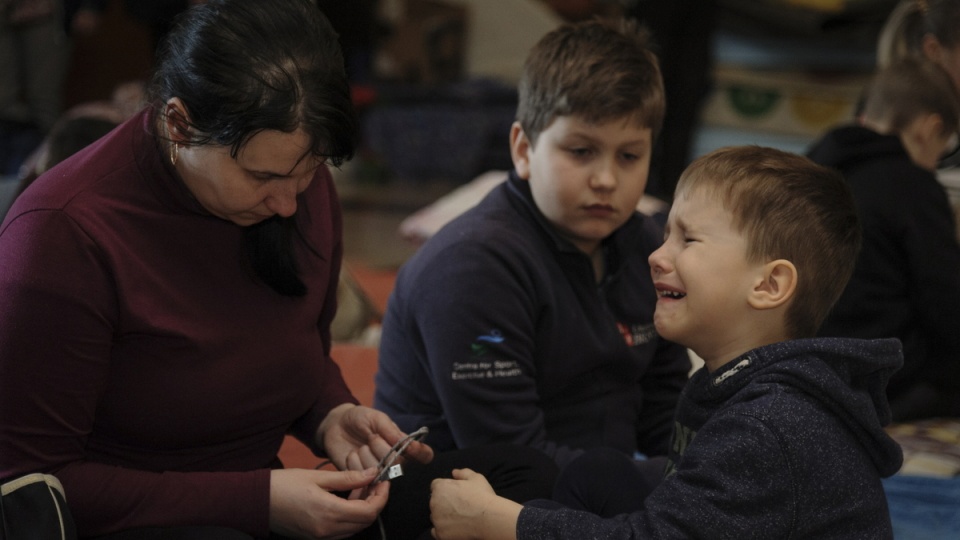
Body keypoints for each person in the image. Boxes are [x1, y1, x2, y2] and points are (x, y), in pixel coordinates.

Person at [0, 1, 439, 538]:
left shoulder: (295, 178)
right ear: (179, 124)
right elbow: (29, 488)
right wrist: (257, 500)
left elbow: (295, 348)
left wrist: (329, 414)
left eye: (312, 170)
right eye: (262, 177)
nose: (287, 203)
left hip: (260, 502)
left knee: (504, 475)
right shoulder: (64, 233)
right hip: (148, 523)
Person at [429, 145, 905, 539]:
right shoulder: (741, 386)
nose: (657, 255)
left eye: (689, 240)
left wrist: (503, 522)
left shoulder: (769, 426)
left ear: (768, 286)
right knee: (599, 474)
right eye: (665, 235)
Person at [374, 16, 691, 494]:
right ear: (523, 149)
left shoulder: (646, 244)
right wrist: (672, 487)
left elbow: (666, 403)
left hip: (592, 487)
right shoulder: (472, 267)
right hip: (457, 496)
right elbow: (514, 460)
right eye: (581, 151)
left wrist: (702, 473)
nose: (606, 179)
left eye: (629, 156)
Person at [807, 58, 960, 421]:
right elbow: (946, 303)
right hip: (880, 378)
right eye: (940, 150)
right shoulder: (913, 186)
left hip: (805, 365)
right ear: (928, 129)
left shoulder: (813, 167)